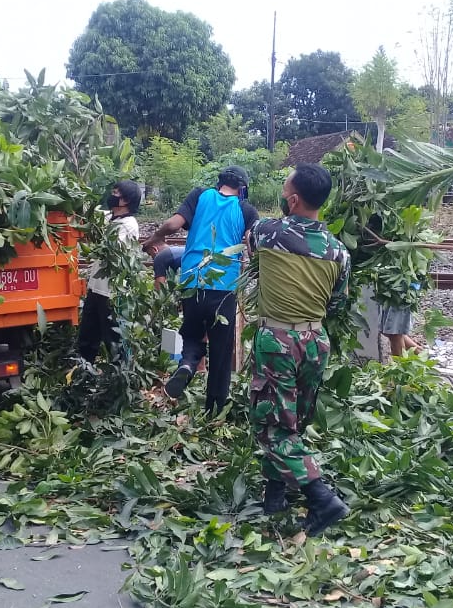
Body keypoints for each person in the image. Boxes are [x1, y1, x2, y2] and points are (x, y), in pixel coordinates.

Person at [249, 163, 351, 536]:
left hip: (277, 342)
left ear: (292, 201)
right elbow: (338, 304)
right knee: (292, 423)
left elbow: (253, 257)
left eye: (283, 191)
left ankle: (322, 500)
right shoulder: (339, 252)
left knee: (273, 428)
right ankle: (275, 495)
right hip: (315, 343)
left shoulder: (266, 232)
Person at [143, 166, 258, 413]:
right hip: (223, 288)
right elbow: (252, 242)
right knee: (221, 352)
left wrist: (154, 238)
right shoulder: (246, 210)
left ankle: (187, 364)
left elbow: (173, 224)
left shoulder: (199, 195)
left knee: (193, 334)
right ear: (242, 189)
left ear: (219, 182)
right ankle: (213, 412)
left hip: (192, 282)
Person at [77, 181, 141, 364]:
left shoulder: (129, 224)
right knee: (87, 335)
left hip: (112, 292)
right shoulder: (108, 217)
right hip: (95, 288)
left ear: (126, 200)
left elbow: (109, 249)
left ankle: (119, 373)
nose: (112, 195)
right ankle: (84, 371)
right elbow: (87, 214)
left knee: (113, 339)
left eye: (116, 193)